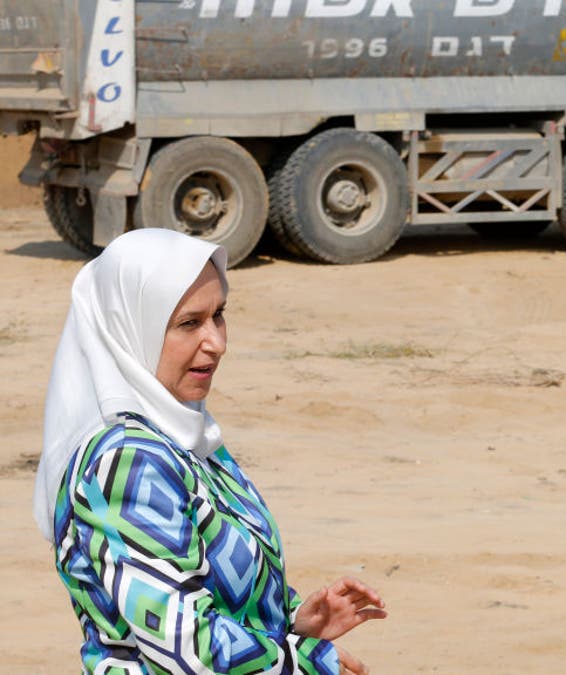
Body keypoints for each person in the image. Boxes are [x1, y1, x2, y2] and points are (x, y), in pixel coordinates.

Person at [33, 229, 386, 674]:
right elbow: (185, 649)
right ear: (130, 328)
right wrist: (305, 664)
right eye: (188, 323)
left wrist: (289, 618)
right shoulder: (126, 463)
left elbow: (206, 578)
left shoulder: (186, 438)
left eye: (218, 315)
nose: (216, 342)